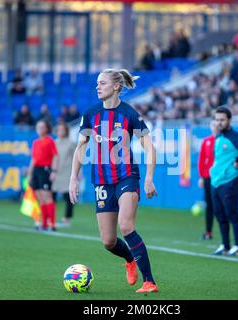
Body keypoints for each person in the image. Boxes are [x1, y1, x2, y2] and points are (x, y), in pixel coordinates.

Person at [68, 68, 159, 293]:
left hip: (127, 176)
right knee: (108, 241)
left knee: (126, 226)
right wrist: (73, 178)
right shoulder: (90, 114)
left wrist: (149, 178)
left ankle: (149, 281)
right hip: (101, 180)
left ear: (117, 86)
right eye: (97, 83)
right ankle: (129, 259)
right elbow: (80, 147)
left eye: (103, 83)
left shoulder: (129, 114)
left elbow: (149, 146)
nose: (97, 86)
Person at [210, 106, 238, 256]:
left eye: (222, 120)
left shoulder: (234, 136)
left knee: (232, 214)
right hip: (216, 181)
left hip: (230, 181)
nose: (219, 122)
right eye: (217, 120)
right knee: (219, 215)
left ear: (229, 120)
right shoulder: (218, 137)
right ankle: (226, 245)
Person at [27, 120, 59, 231]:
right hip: (36, 170)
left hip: (45, 170)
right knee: (40, 197)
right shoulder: (35, 142)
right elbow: (33, 159)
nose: (39, 129)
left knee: (47, 196)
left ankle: (52, 223)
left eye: (42, 127)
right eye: (38, 127)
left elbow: (55, 156)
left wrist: (54, 171)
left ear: (46, 129)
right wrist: (30, 173)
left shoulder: (50, 141)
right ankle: (44, 223)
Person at [52, 123, 77, 226]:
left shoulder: (71, 143)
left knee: (68, 196)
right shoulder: (54, 143)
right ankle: (51, 217)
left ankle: (66, 218)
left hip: (67, 172)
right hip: (56, 171)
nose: (61, 131)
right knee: (51, 195)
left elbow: (76, 158)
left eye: (63, 129)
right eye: (59, 129)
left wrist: (76, 173)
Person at [197, 119, 218, 240]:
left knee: (220, 205)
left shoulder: (223, 140)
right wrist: (201, 176)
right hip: (207, 177)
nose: (215, 126)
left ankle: (225, 232)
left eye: (216, 124)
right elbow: (202, 160)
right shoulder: (206, 141)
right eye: (213, 124)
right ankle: (208, 232)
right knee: (209, 205)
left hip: (220, 178)